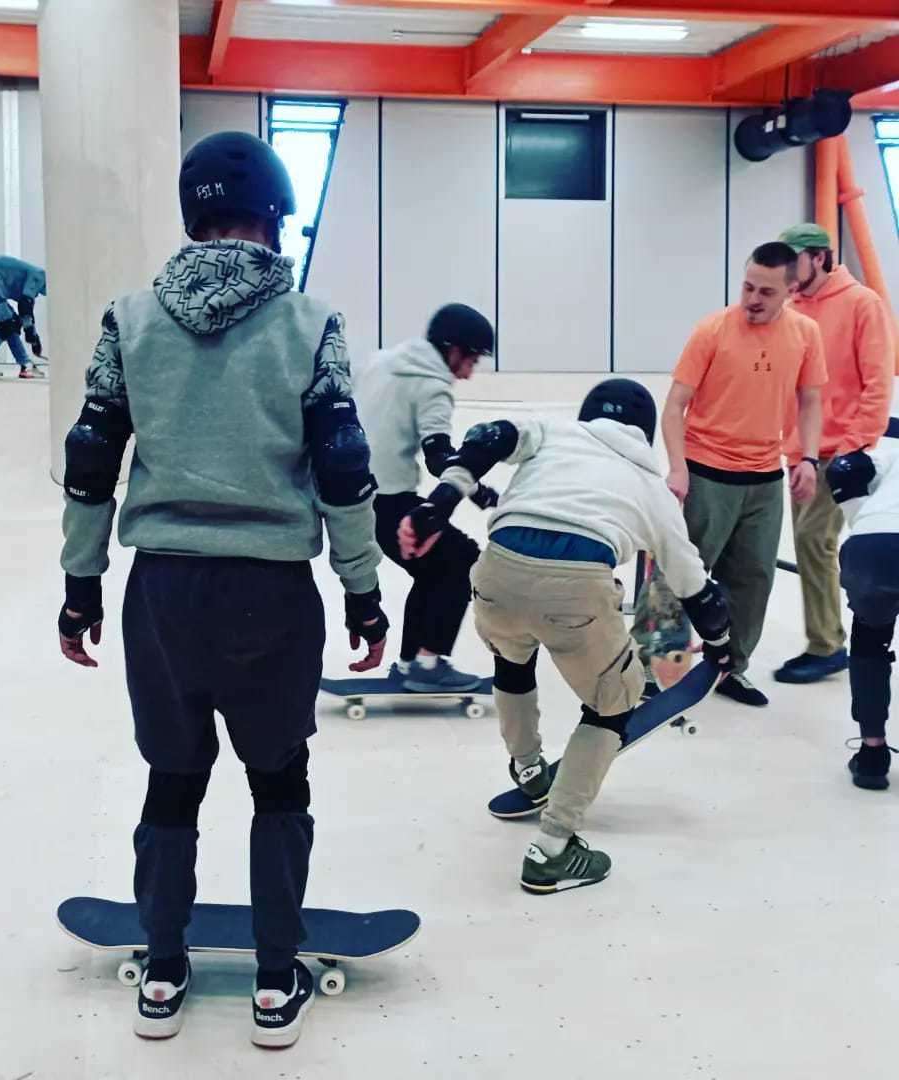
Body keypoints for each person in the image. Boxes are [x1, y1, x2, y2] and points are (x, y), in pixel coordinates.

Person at [56, 132, 387, 1049]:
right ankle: (277, 986)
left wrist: (80, 587)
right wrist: (362, 591)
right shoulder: (310, 322)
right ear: (273, 220)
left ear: (190, 216)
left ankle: (162, 974)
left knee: (173, 779)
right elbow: (343, 467)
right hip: (272, 595)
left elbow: (92, 460)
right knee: (280, 782)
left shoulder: (130, 317)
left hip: (163, 592)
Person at [399, 379, 731, 892]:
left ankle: (529, 770)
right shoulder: (652, 489)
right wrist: (721, 644)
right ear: (645, 434)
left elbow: (487, 437)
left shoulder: (553, 431)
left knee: (512, 662)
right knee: (612, 706)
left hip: (496, 573)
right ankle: (553, 847)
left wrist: (435, 506)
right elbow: (694, 588)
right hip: (575, 588)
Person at [662, 242, 826, 708]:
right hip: (705, 471)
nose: (752, 298)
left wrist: (807, 459)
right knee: (680, 575)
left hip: (763, 478)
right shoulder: (712, 330)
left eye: (766, 291)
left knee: (753, 580)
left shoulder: (805, 334)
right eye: (748, 286)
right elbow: (674, 406)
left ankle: (731, 668)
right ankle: (658, 670)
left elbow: (810, 400)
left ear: (791, 290)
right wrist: (678, 468)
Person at [772, 223, 894, 685]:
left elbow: (878, 383)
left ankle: (827, 646)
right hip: (800, 450)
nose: (786, 273)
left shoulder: (863, 303)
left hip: (840, 452)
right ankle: (830, 639)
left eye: (793, 262)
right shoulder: (793, 306)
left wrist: (853, 450)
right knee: (813, 545)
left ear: (819, 257)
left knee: (815, 543)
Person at [355, 303, 495, 691]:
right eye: (471, 359)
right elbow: (438, 457)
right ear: (451, 348)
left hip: (349, 496)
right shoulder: (433, 385)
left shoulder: (378, 363)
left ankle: (411, 662)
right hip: (389, 504)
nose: (468, 372)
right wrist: (477, 488)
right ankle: (426, 665)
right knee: (465, 560)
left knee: (435, 568)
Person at [825, 444, 899, 789]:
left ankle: (872, 754)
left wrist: (862, 517)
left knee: (870, 641)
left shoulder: (892, 449)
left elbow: (844, 468)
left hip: (872, 547)